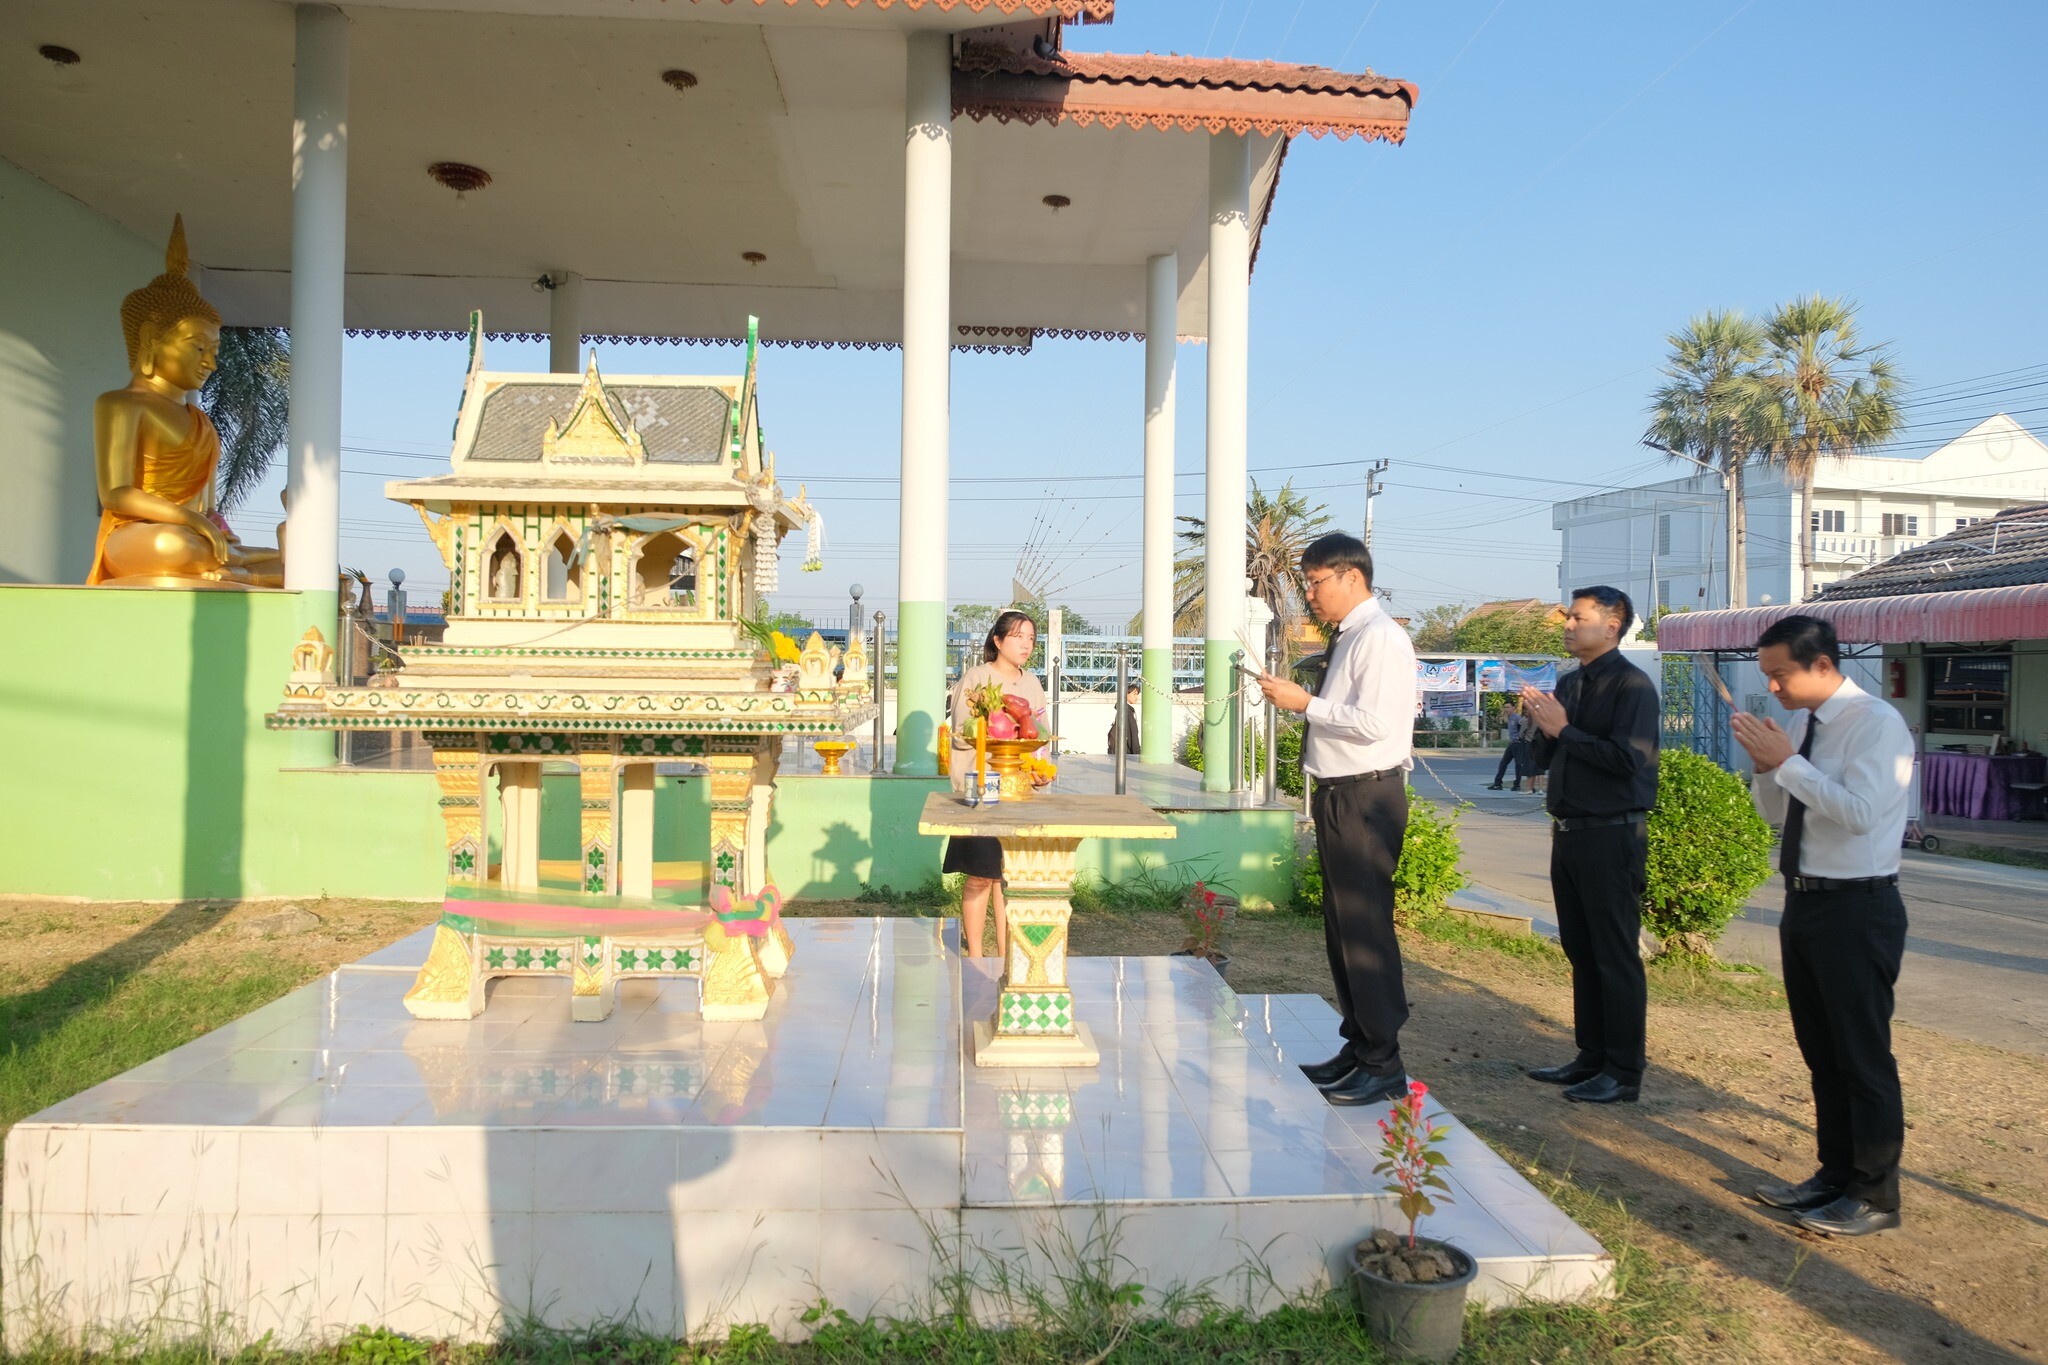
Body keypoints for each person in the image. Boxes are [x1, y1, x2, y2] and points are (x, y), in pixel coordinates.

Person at [1731, 616, 1912, 1238]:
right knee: (1822, 1051)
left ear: (1824, 665)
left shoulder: (1877, 724)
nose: (1772, 688)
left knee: (1860, 1054)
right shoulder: (1806, 725)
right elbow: (1778, 814)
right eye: (1767, 676)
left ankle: (1875, 1193)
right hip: (1805, 902)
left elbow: (1861, 814)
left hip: (1858, 907)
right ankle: (1835, 1174)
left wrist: (1789, 765)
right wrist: (1767, 769)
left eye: (1780, 674)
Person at [1257, 533, 1417, 1108]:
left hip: (1365, 796)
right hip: (1341, 795)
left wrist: (1305, 703)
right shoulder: (1351, 636)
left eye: (1315, 582)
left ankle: (1383, 1063)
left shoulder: (1381, 638)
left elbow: (1375, 723)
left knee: (1365, 930)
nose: (1309, 594)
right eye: (1307, 583)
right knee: (1343, 927)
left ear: (1352, 577)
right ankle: (1360, 1046)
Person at [1520, 586, 1658, 1104]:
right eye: (1569, 617)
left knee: (1614, 953)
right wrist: (1540, 726)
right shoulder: (1569, 682)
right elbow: (1546, 758)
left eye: (1579, 618)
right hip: (1570, 832)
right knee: (1581, 948)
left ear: (1612, 626)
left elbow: (1628, 760)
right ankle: (1591, 1056)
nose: (1568, 625)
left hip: (1612, 833)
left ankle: (1623, 1071)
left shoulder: (1632, 685)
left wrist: (1565, 730)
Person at [944, 610, 1048, 960]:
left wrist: (1042, 769)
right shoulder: (976, 678)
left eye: (1031, 638)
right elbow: (962, 734)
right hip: (982, 790)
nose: (1026, 644)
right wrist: (1001, 724)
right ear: (998, 640)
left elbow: (1042, 738)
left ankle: (1006, 957)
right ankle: (975, 958)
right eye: (1018, 637)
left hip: (1020, 792)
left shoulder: (1032, 684)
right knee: (979, 876)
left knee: (1008, 877)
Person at [1488, 698, 1528, 791]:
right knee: (1503, 763)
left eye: (1508, 707)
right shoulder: (1509, 718)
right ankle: (1498, 783)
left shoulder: (1517, 718)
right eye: (1505, 707)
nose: (1506, 709)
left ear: (1514, 708)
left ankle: (1517, 785)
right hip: (1512, 743)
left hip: (1517, 744)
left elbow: (1522, 730)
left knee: (1518, 764)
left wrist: (1519, 739)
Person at [1107, 680, 1141, 757]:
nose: (1136, 697)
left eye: (1137, 694)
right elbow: (1133, 735)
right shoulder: (1127, 711)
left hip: (1118, 753)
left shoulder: (1121, 710)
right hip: (1127, 754)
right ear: (1125, 694)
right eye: (1134, 694)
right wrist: (1137, 753)